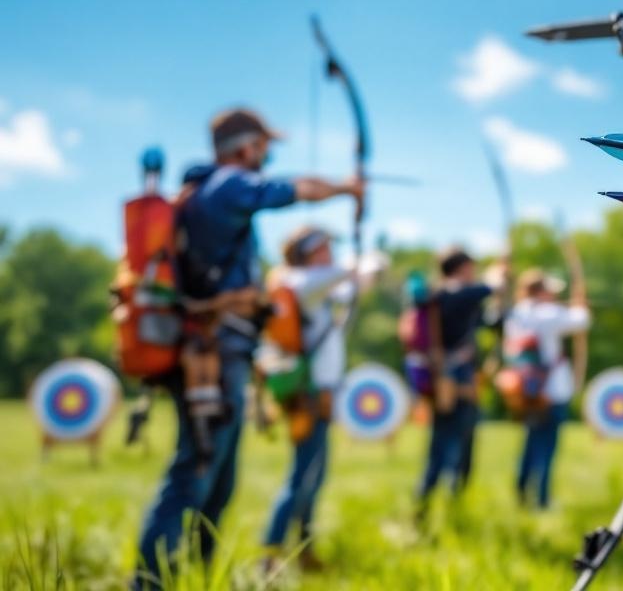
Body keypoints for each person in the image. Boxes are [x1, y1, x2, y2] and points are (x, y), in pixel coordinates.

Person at [134, 108, 364, 588]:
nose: (266, 157)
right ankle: (149, 582)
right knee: (195, 473)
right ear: (245, 147)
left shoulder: (204, 192)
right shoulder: (228, 184)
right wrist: (347, 188)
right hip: (212, 351)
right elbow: (293, 190)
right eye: (263, 147)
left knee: (218, 481)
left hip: (218, 351)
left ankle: (199, 575)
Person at [260, 226, 382, 572]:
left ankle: (303, 550)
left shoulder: (315, 285)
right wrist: (367, 259)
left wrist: (368, 271)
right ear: (307, 254)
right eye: (323, 249)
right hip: (309, 395)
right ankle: (269, 557)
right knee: (301, 477)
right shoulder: (301, 281)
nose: (329, 254)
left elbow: (355, 284)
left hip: (321, 395)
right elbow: (348, 273)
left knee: (313, 477)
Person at [414, 248, 505, 520]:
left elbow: (488, 321)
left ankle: (440, 510)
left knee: (451, 448)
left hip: (455, 382)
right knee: (449, 450)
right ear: (462, 268)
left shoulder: (452, 297)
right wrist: (496, 277)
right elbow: (486, 288)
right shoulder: (450, 292)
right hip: (452, 383)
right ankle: (437, 510)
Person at [505, 269, 590, 509]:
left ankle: (522, 491)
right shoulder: (548, 313)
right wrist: (580, 303)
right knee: (547, 445)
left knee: (531, 440)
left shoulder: (517, 313)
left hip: (525, 390)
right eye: (550, 291)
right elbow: (582, 320)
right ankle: (542, 499)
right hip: (550, 391)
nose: (554, 295)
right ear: (541, 291)